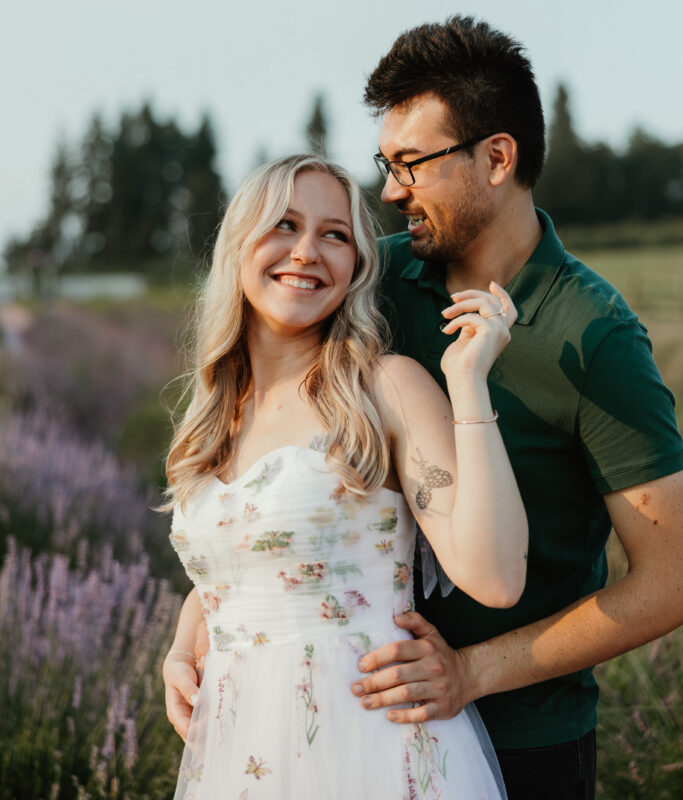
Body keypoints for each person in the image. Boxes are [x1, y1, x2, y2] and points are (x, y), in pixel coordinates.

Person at [350, 15, 683, 799]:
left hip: (524, 749)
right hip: (360, 724)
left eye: (412, 164)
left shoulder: (592, 335)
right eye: (384, 162)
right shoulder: (373, 282)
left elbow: (670, 578)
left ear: (496, 157)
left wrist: (471, 671)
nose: (390, 189)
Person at [162, 153, 528, 798]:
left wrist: (467, 383)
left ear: (356, 266)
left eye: (335, 235)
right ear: (238, 246)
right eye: (284, 225)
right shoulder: (211, 416)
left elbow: (495, 577)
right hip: (242, 757)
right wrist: (180, 647)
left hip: (371, 742)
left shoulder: (384, 389)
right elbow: (244, 564)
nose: (307, 251)